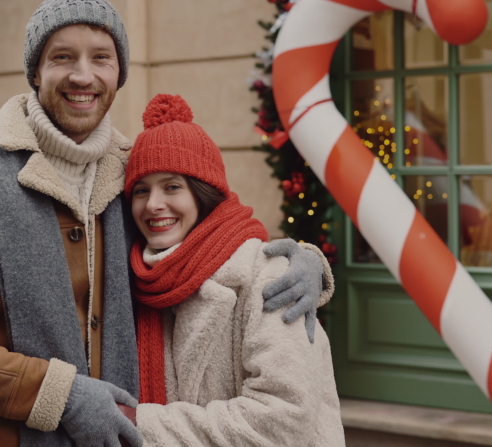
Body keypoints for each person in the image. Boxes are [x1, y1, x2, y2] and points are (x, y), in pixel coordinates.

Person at [0, 0, 325, 447]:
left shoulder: (135, 176)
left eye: (101, 57)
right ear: (36, 71)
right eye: (62, 57)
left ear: (119, 73)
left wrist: (301, 261)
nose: (84, 75)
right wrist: (58, 394)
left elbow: (214, 229)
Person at [125, 94, 345, 446]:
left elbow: (282, 423)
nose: (153, 204)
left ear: (203, 192)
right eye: (140, 190)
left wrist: (139, 422)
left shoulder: (272, 276)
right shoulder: (140, 280)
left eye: (172, 187)